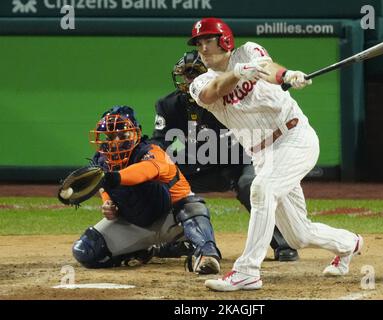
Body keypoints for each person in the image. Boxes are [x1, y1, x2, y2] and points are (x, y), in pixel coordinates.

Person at [186, 17, 364, 291]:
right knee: (297, 236)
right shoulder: (200, 83)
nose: (203, 48)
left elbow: (268, 69)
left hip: (294, 137)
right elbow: (213, 93)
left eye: (207, 41)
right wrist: (238, 74)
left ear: (224, 40)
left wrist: (287, 75)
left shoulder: (248, 51)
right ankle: (348, 243)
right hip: (264, 155)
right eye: (198, 44)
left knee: (261, 189)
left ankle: (247, 271)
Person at [150, 50, 299, 262]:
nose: (188, 79)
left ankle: (284, 243)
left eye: (194, 73)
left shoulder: (231, 98)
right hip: (196, 164)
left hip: (237, 160)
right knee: (159, 181)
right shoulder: (168, 105)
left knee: (252, 184)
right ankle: (179, 240)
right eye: (185, 74)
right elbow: (160, 142)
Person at [72, 105, 222, 275]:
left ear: (137, 133)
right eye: (111, 136)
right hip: (134, 225)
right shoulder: (101, 160)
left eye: (123, 135)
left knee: (193, 206)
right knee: (86, 251)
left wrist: (114, 177)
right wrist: (107, 202)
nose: (116, 141)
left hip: (172, 219)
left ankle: (206, 254)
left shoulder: (151, 151)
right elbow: (103, 186)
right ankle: (147, 250)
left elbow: (146, 170)